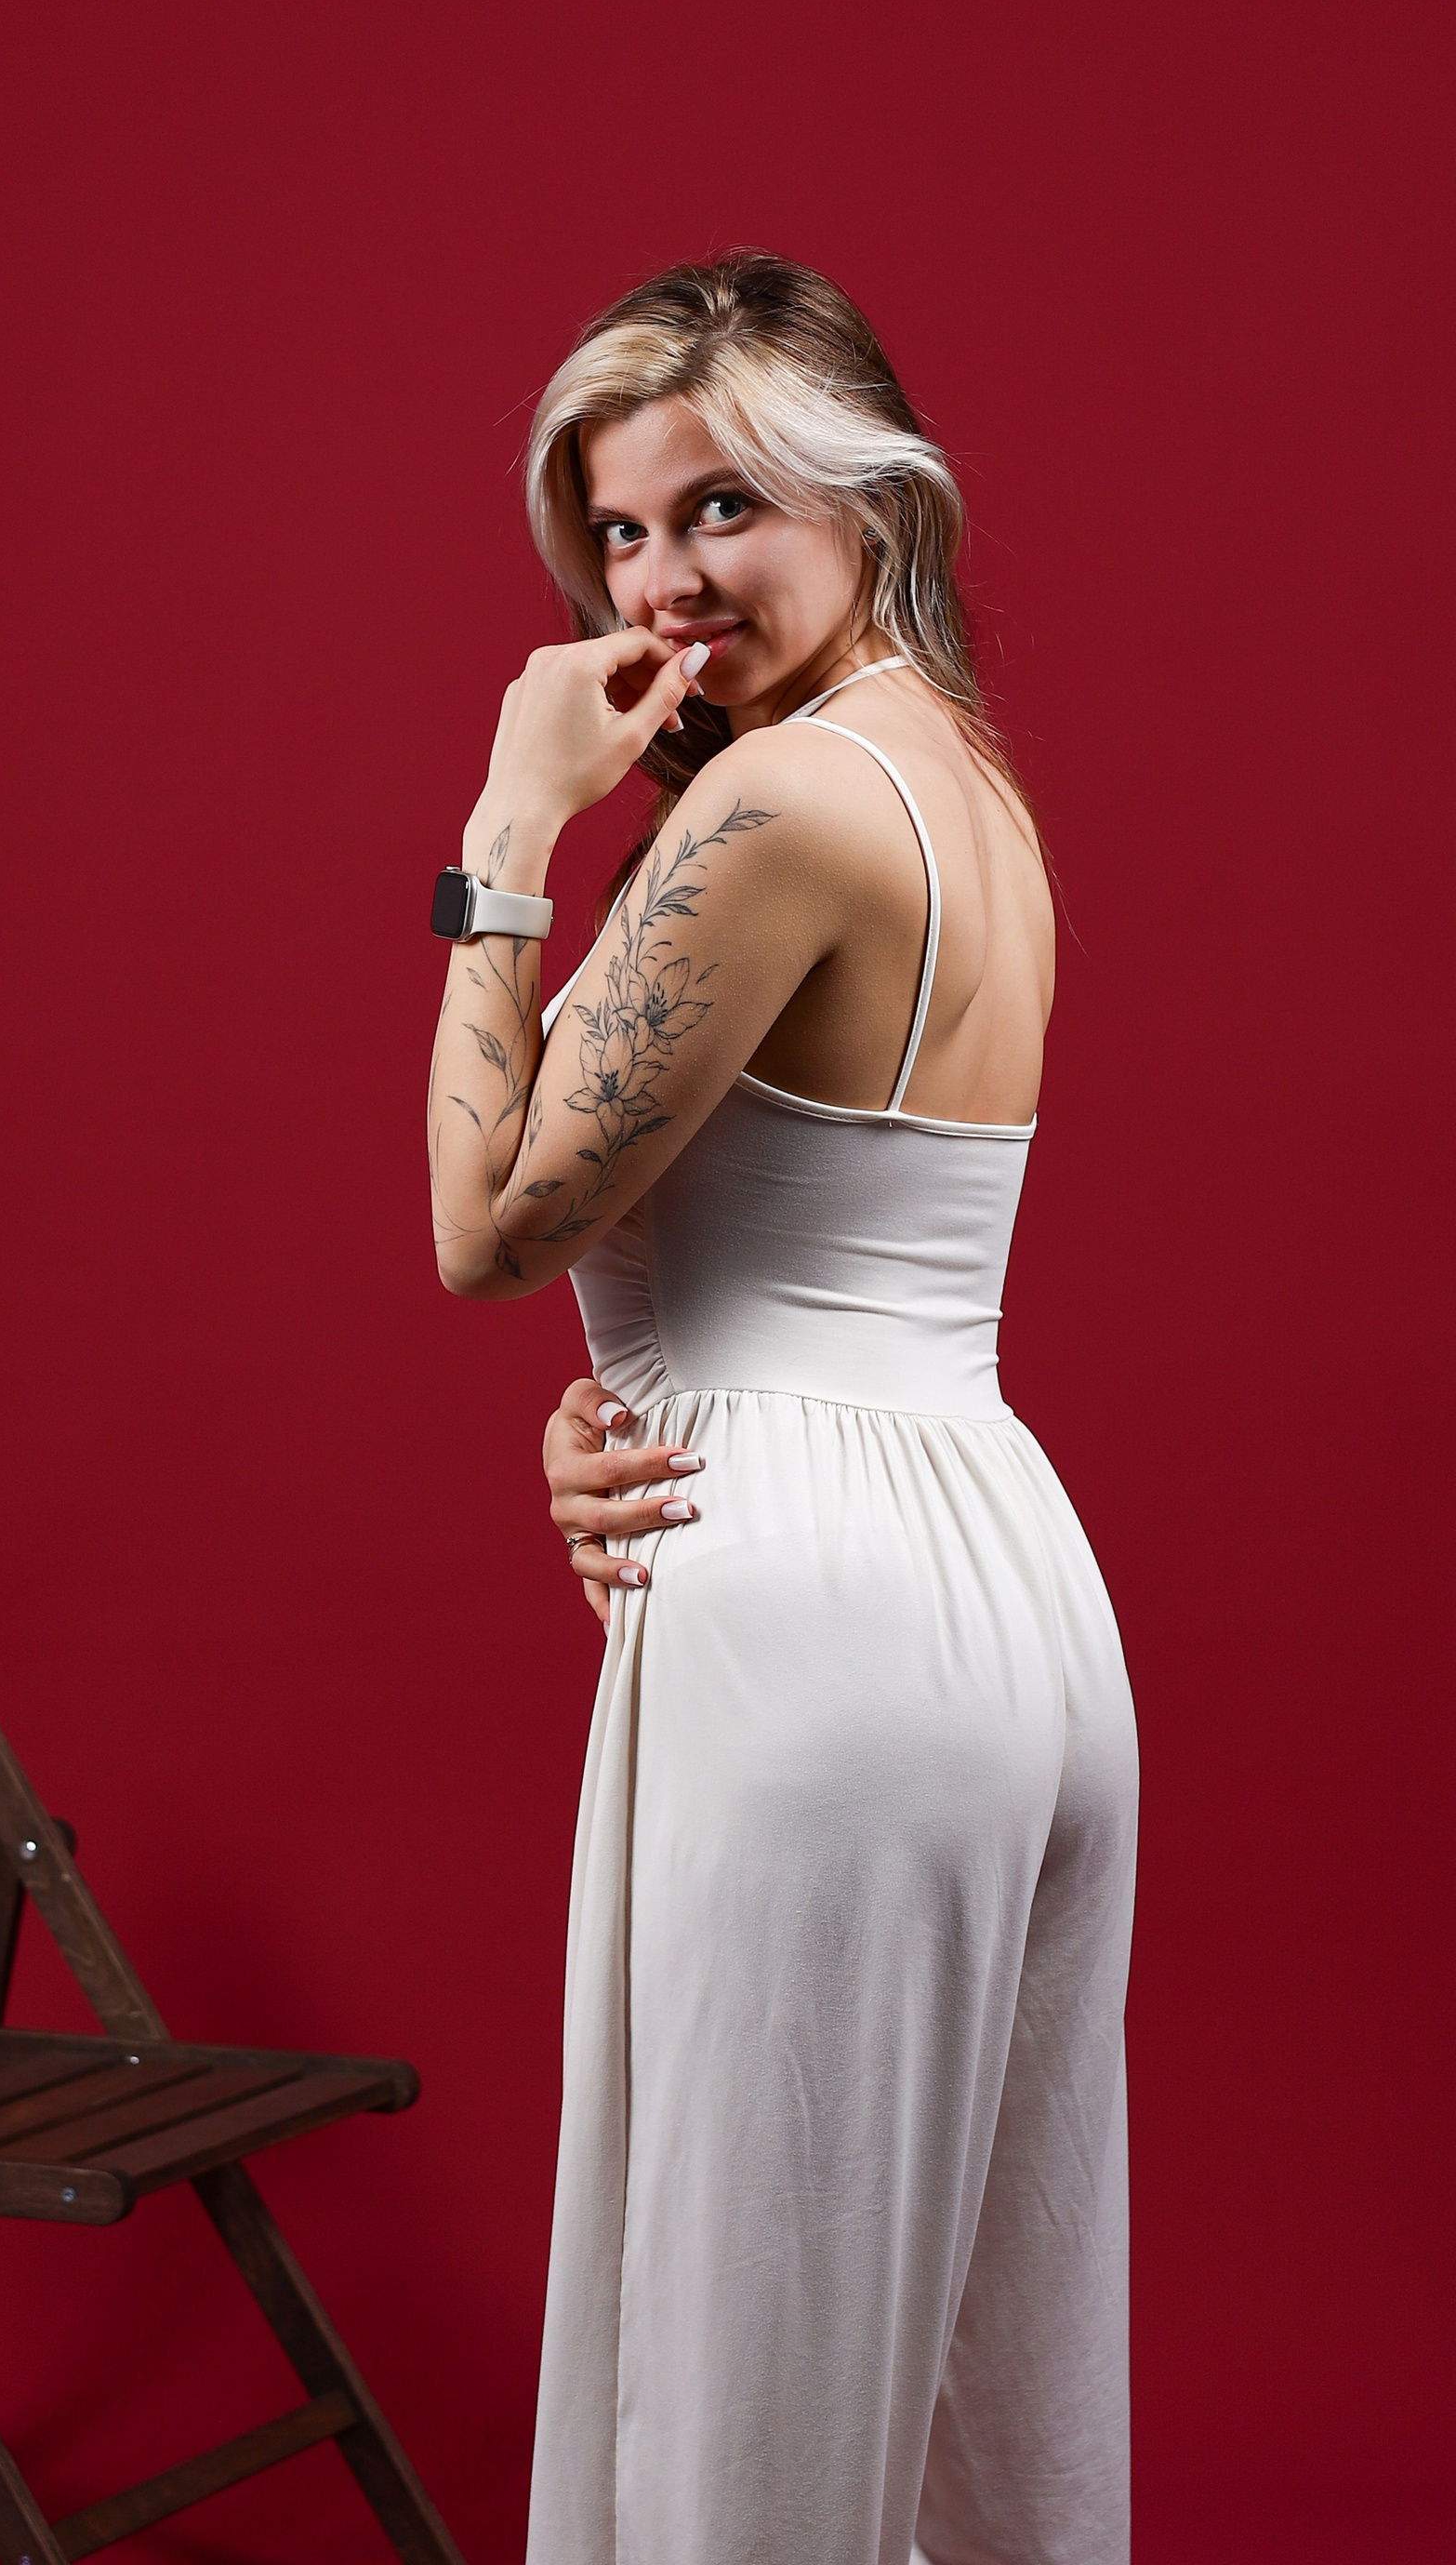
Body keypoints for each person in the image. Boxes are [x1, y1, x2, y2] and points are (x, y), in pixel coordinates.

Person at [424, 252, 1137, 2565]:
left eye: (721, 505)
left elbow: (482, 1229)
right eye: (621, 531)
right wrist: (640, 1391)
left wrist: (507, 835)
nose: (662, 581)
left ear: (869, 488)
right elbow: (807, 1252)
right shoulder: (957, 778)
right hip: (994, 1574)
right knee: (970, 2373)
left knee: (751, 2358)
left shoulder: (778, 810)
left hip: (825, 1639)